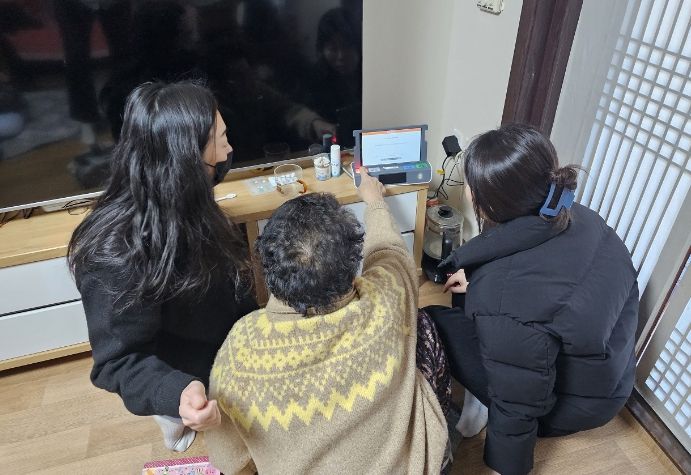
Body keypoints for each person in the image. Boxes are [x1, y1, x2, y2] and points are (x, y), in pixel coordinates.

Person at [206, 171, 451, 474]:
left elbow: (230, 460)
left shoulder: (240, 349)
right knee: (423, 324)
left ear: (267, 265)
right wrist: (374, 200)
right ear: (352, 265)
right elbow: (389, 252)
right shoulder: (388, 295)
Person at [430, 124, 638, 475]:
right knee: (467, 297)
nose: (466, 191)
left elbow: (519, 403)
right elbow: (550, 290)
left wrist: (506, 466)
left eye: (470, 185)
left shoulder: (504, 299)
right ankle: (483, 391)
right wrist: (477, 279)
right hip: (610, 384)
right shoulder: (582, 217)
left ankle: (478, 410)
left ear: (488, 202)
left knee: (432, 318)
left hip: (564, 407)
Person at [68, 81, 257, 452]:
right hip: (186, 370)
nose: (229, 149)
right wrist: (178, 392)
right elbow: (117, 362)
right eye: (221, 139)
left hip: (229, 339)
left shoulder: (189, 195)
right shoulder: (115, 254)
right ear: (188, 159)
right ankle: (174, 419)